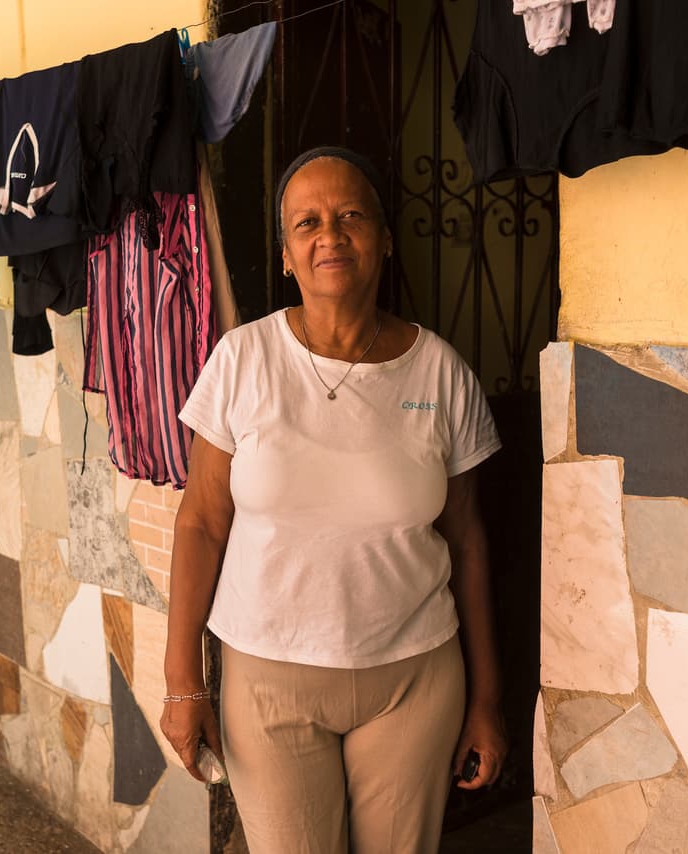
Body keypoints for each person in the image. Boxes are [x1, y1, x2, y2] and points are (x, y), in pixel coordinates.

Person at [160, 146, 507, 853]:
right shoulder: (243, 360)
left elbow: (469, 541)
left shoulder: (440, 371)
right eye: (307, 222)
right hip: (268, 684)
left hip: (414, 679)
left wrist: (487, 700)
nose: (330, 235)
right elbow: (200, 522)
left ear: (382, 238)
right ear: (286, 254)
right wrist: (182, 682)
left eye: (351, 216)